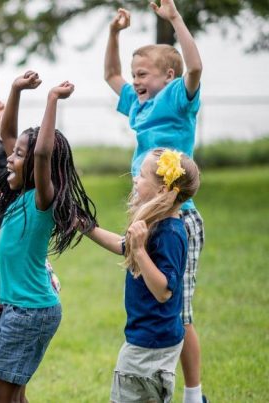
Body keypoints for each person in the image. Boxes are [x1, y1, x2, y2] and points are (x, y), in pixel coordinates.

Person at [104, 2, 205, 401]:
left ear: (168, 75)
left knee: (180, 311)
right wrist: (114, 34)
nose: (134, 80)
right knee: (159, 303)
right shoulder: (139, 104)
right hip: (152, 213)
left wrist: (175, 20)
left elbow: (195, 68)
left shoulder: (180, 97)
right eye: (135, 75)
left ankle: (194, 394)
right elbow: (110, 74)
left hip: (178, 215)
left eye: (142, 74)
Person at [0, 81, 96, 402]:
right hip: (20, 308)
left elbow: (42, 152)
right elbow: (7, 133)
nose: (10, 158)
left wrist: (52, 99)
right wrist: (16, 90)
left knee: (2, 395)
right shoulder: (20, 195)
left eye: (19, 155)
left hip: (30, 311)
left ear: (36, 168)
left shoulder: (41, 201)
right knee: (14, 393)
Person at [85, 149, 200, 402]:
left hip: (149, 346)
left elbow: (163, 291)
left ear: (161, 190)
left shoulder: (170, 232)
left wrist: (139, 250)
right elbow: (124, 245)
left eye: (141, 175)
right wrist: (88, 228)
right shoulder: (159, 223)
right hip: (153, 339)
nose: (135, 179)